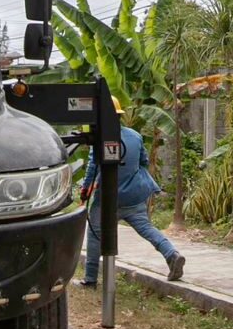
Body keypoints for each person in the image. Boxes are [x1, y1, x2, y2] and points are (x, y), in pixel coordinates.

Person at [76, 96, 185, 288]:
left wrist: (85, 192)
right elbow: (143, 162)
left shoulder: (101, 140)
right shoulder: (135, 136)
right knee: (146, 228)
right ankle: (172, 254)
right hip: (134, 196)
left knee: (94, 234)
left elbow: (93, 168)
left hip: (108, 199)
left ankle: (90, 279)